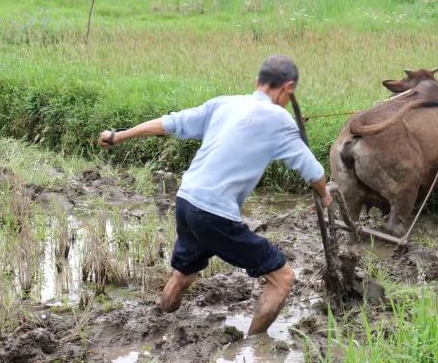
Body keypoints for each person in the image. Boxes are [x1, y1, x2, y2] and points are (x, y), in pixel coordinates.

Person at [98, 55, 331, 335]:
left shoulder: (225, 103)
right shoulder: (280, 119)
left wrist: (118, 136)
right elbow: (313, 171)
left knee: (184, 274)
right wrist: (325, 195)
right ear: (288, 88)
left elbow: (170, 124)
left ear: (257, 82)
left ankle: (156, 326)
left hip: (186, 201)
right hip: (214, 213)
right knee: (283, 279)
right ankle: (254, 345)